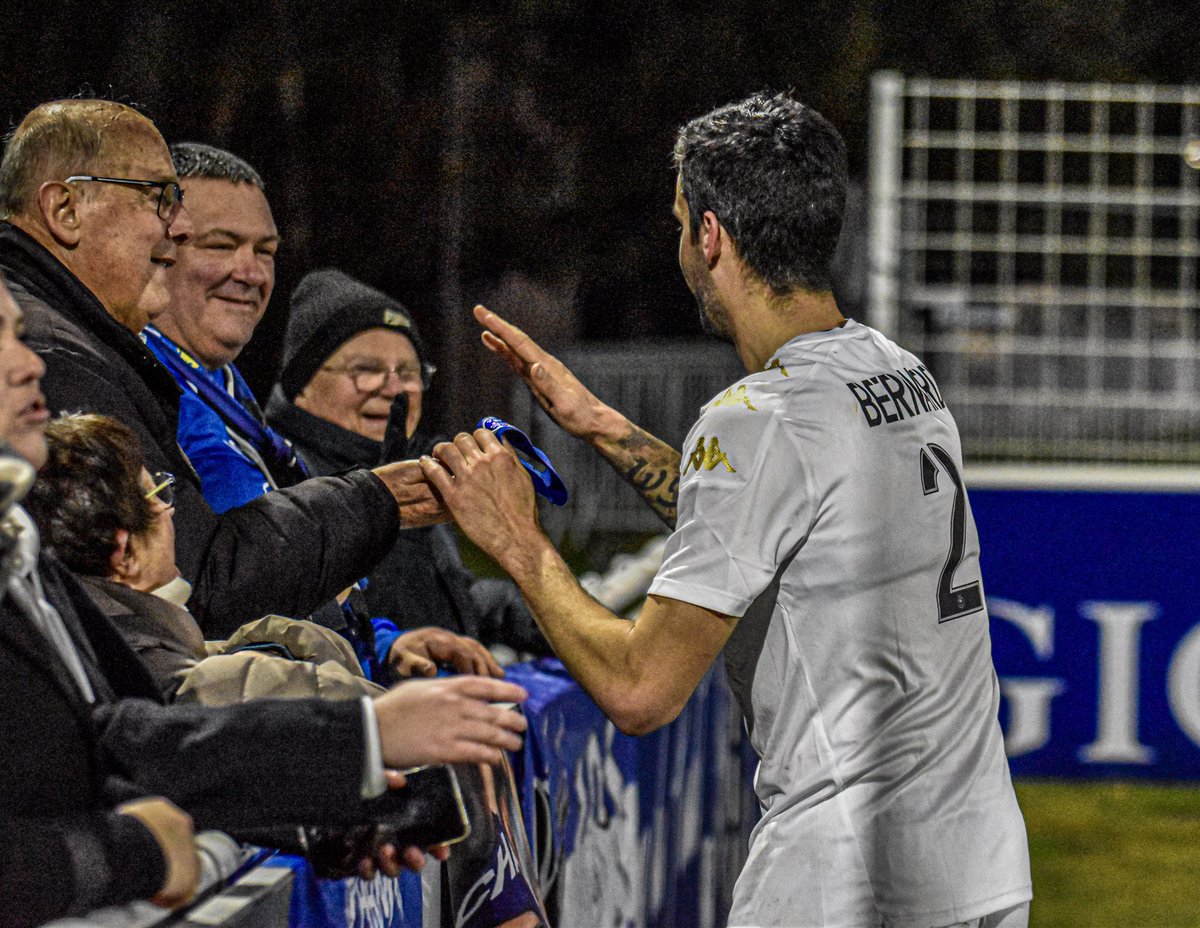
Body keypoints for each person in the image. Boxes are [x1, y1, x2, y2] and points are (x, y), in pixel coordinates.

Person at [419, 93, 1032, 928]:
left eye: (680, 221)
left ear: (711, 235)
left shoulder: (759, 420)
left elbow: (641, 691)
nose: (679, 244)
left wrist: (517, 542)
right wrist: (603, 426)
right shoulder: (897, 374)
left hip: (845, 882)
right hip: (979, 867)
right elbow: (779, 533)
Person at [0, 273, 529, 926]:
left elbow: (116, 740)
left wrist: (314, 814)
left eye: (20, 334)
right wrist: (141, 853)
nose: (31, 365)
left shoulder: (17, 542)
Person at [0, 98, 446, 638]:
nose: (180, 226)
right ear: (65, 210)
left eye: (266, 251)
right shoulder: (56, 356)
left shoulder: (98, 349)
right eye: (159, 198)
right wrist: (378, 498)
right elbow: (201, 583)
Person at [25, 412, 499, 701]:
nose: (172, 512)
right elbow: (415, 769)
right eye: (160, 495)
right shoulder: (222, 689)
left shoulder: (64, 657)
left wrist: (281, 638)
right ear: (123, 549)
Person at [265, 268, 549, 655]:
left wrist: (543, 619)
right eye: (365, 370)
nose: (395, 389)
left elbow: (448, 600)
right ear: (302, 384)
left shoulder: (415, 467)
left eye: (409, 372)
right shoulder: (280, 480)